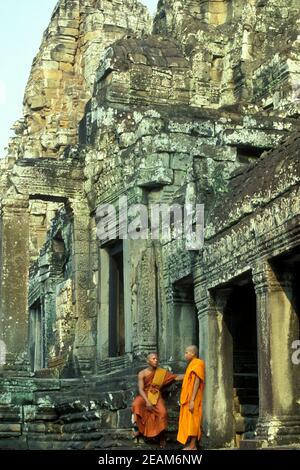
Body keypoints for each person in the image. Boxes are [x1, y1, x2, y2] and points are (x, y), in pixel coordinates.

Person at [132, 352, 184, 448]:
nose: (156, 360)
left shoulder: (161, 372)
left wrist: (188, 374)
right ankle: (139, 428)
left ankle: (162, 437)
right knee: (136, 404)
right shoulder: (142, 373)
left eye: (156, 359)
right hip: (145, 395)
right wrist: (147, 402)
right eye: (153, 359)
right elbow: (140, 389)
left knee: (163, 412)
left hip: (156, 395)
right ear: (148, 361)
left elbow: (175, 377)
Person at [177, 345, 205, 450]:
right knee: (188, 420)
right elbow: (189, 378)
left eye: (186, 352)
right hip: (188, 397)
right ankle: (190, 444)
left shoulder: (198, 363)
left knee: (193, 419)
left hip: (194, 396)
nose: (185, 354)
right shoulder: (191, 365)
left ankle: (193, 445)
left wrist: (192, 399)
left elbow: (197, 381)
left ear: (193, 353)